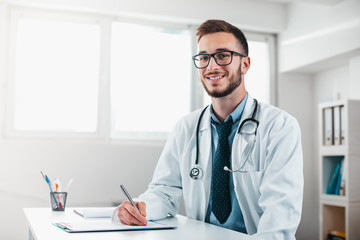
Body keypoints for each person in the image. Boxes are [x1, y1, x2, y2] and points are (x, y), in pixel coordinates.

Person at [114, 19, 303, 240]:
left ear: (245, 64)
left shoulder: (279, 126)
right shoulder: (186, 127)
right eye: (204, 57)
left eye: (223, 55)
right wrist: (140, 207)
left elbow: (280, 216)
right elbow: (164, 191)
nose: (212, 66)